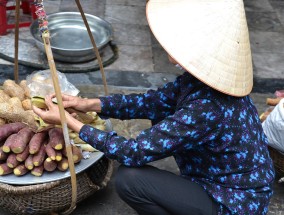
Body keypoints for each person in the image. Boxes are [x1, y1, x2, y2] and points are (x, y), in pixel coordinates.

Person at [33, 0, 275, 214]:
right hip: (223, 181)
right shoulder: (200, 80)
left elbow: (133, 151)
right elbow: (153, 102)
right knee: (158, 114)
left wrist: (71, 122)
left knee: (130, 180)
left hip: (234, 203)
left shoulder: (207, 107)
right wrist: (88, 104)